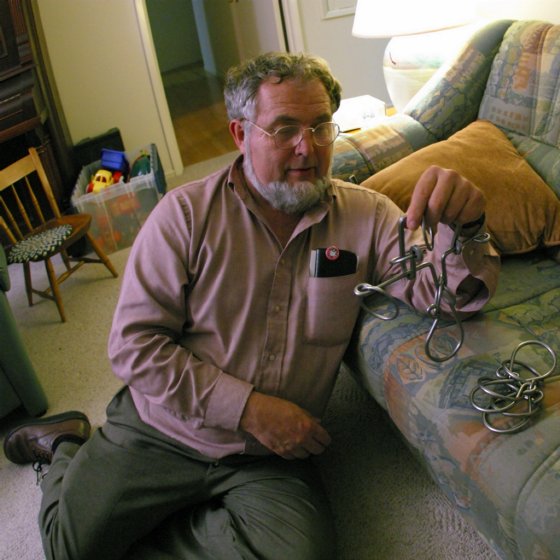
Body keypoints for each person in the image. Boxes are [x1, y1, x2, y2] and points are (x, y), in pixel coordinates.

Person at [3, 52, 499, 560]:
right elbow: (134, 347)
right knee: (68, 550)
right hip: (163, 429)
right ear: (240, 135)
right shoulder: (184, 216)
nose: (307, 148)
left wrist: (470, 227)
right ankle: (65, 445)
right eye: (284, 129)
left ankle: (185, 517)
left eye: (320, 127)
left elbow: (446, 296)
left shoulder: (366, 217)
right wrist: (250, 409)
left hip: (270, 457)